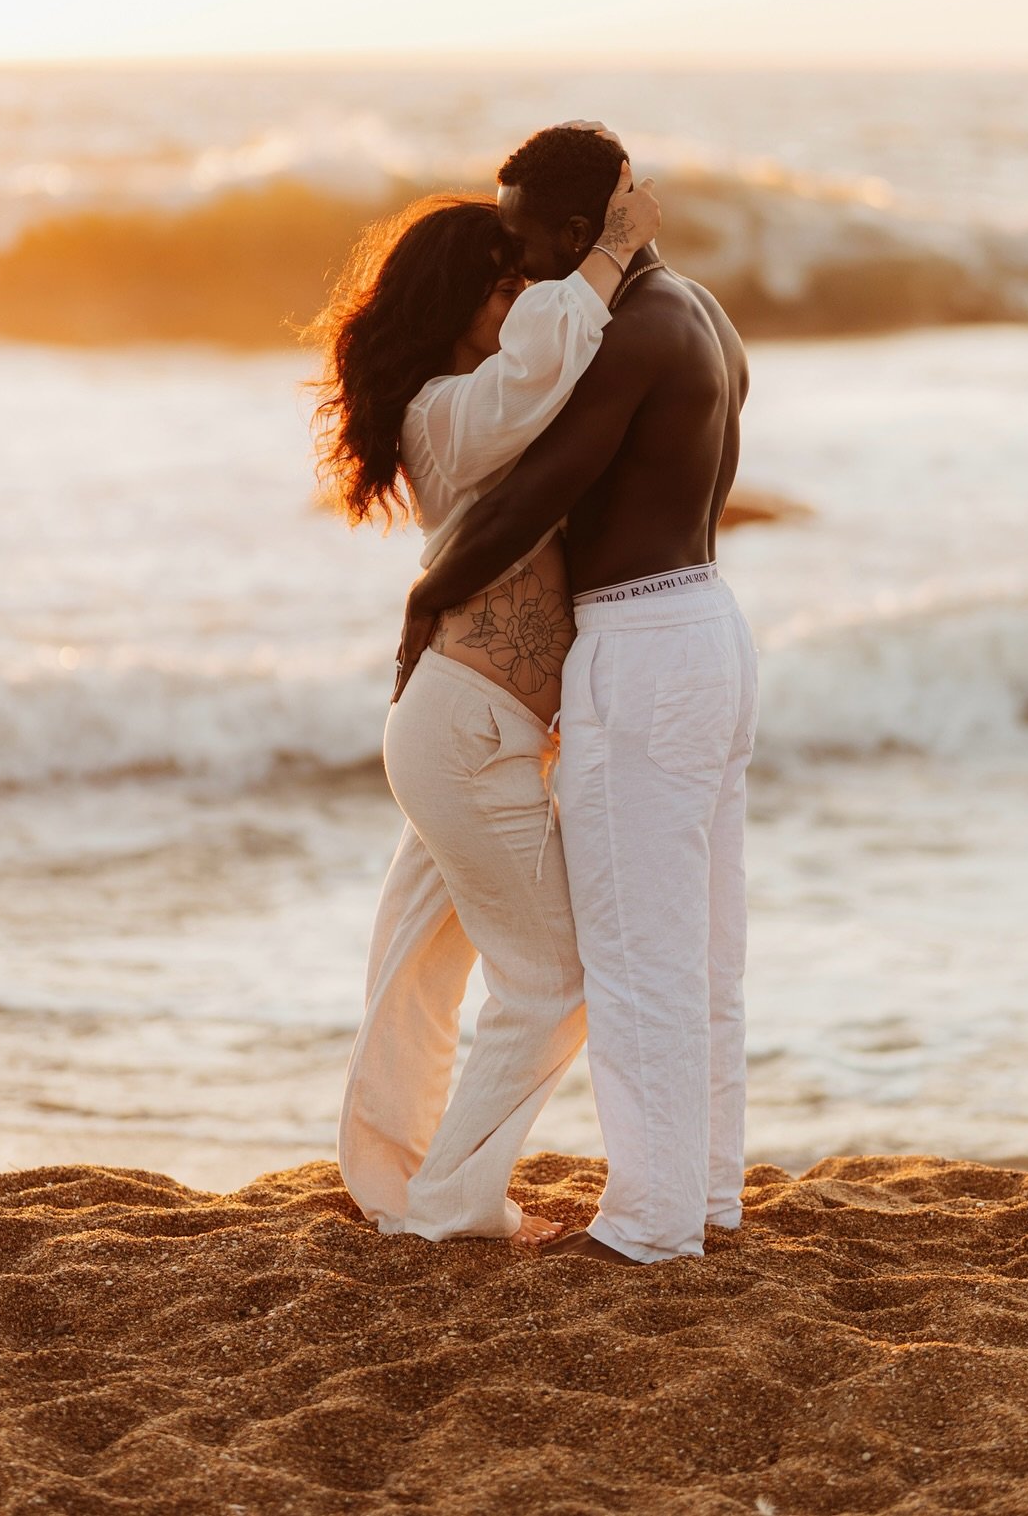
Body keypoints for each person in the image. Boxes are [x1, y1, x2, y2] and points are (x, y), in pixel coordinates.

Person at [395, 124, 759, 1266]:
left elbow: (529, 496)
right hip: (709, 624)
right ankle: (704, 1195)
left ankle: (648, 1225)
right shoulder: (701, 311)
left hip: (644, 647)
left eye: (520, 235)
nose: (514, 261)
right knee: (701, 947)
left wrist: (426, 598)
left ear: (572, 229)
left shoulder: (627, 335)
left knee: (634, 950)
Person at [310, 162, 662, 1244]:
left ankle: (386, 1176)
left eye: (522, 282)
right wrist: (608, 253)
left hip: (469, 732)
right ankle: (453, 1202)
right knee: (556, 977)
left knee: (417, 968)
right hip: (465, 736)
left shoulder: (480, 413)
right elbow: (545, 355)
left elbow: (553, 372)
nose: (520, 301)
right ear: (452, 305)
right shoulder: (445, 416)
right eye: (501, 285)